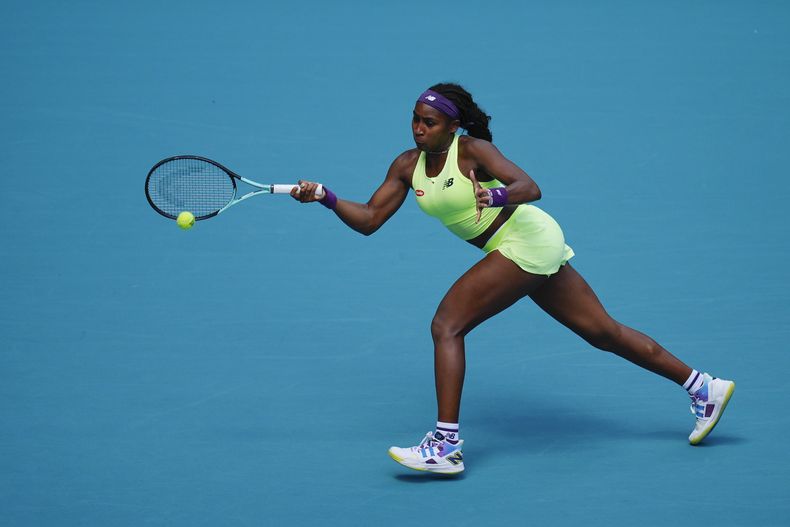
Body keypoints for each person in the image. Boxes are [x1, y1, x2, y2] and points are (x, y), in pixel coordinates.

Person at [291, 82, 735, 475]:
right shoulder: (407, 165)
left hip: (525, 239)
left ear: (452, 126)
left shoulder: (473, 152)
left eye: (429, 122)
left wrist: (496, 193)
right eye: (415, 119)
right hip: (514, 247)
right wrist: (326, 197)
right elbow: (370, 218)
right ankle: (703, 387)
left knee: (447, 325)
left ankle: (445, 446)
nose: (418, 128)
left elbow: (530, 187)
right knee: (603, 332)